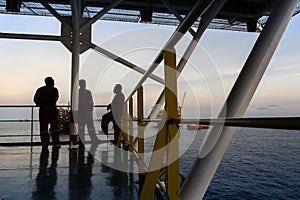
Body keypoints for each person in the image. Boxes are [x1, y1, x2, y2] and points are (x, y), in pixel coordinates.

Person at [34, 77, 60, 149]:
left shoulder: (40, 90)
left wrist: (42, 104)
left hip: (43, 111)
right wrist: (48, 103)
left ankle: (45, 144)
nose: (54, 83)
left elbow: (36, 100)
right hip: (52, 111)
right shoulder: (55, 90)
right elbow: (55, 99)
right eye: (52, 82)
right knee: (54, 128)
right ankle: (56, 143)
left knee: (44, 129)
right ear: (49, 82)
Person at [78, 79, 98, 146]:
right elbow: (91, 103)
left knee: (86, 127)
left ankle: (91, 139)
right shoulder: (86, 92)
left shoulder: (82, 92)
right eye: (83, 83)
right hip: (84, 113)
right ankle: (93, 139)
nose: (84, 84)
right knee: (84, 127)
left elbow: (91, 103)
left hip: (84, 113)